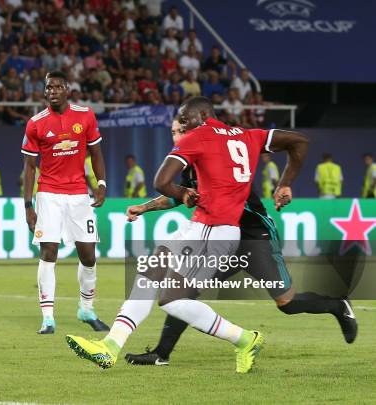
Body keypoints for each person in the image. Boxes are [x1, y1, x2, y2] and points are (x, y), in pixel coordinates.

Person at [66, 96, 309, 373]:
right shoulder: (247, 135)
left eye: (184, 119)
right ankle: (110, 346)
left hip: (214, 231)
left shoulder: (197, 138)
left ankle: (244, 339)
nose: (181, 124)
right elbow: (299, 141)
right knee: (149, 273)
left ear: (203, 115)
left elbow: (160, 181)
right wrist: (285, 183)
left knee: (174, 301)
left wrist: (182, 193)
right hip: (205, 226)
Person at [123, 120, 357, 367]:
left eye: (178, 132)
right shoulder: (193, 164)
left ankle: (337, 305)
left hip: (255, 238)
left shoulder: (217, 152)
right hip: (223, 238)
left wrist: (285, 182)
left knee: (287, 303)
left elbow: (297, 141)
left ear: (192, 132)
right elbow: (181, 195)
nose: (175, 138)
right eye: (171, 133)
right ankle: (162, 353)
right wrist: (145, 207)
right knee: (184, 292)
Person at [22, 70, 109, 334]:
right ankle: (47, 317)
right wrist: (28, 205)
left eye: (58, 86)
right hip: (48, 194)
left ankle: (86, 309)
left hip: (79, 195)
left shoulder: (85, 115)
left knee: (89, 255)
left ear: (67, 89)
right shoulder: (36, 123)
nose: (53, 91)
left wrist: (101, 184)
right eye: (49, 87)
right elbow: (29, 166)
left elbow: (96, 153)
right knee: (48, 252)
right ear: (44, 91)